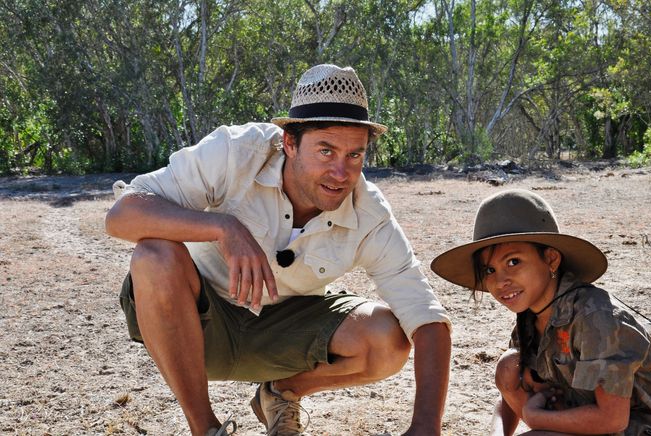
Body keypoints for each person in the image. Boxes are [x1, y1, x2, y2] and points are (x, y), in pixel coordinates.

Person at [105, 64, 452, 436]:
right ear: (289, 142)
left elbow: (428, 318)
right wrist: (224, 227)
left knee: (387, 338)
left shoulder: (369, 211)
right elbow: (122, 215)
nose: (341, 172)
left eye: (355, 155)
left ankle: (282, 392)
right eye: (325, 150)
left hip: (283, 337)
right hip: (196, 327)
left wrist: (425, 428)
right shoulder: (236, 152)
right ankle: (205, 428)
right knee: (155, 256)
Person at [430, 189, 651, 435]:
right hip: (581, 423)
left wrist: (534, 418)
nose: (500, 281)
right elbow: (508, 398)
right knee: (509, 366)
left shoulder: (594, 316)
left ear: (551, 259)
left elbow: (613, 418)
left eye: (513, 262)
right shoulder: (531, 318)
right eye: (489, 270)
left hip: (639, 429)